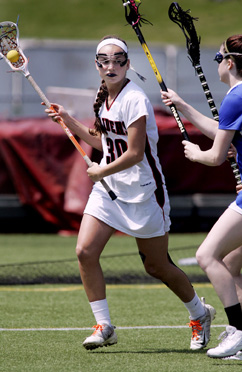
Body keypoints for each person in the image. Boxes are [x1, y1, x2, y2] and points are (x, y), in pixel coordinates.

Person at [45, 35, 215, 351]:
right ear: (97, 65)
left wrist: (100, 170)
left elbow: (135, 153)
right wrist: (68, 120)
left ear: (126, 64)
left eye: (118, 60)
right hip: (109, 191)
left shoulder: (134, 99)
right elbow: (104, 144)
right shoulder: (103, 96)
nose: (111, 66)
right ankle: (104, 325)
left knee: (156, 266)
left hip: (143, 193)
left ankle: (199, 313)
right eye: (104, 61)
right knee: (84, 252)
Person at [161, 34, 242, 359]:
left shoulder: (235, 97)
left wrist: (195, 154)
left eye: (218, 58)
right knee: (234, 263)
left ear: (230, 63)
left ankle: (239, 331)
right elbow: (223, 130)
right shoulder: (237, 99)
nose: (218, 63)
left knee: (208, 255)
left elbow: (215, 156)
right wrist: (183, 106)